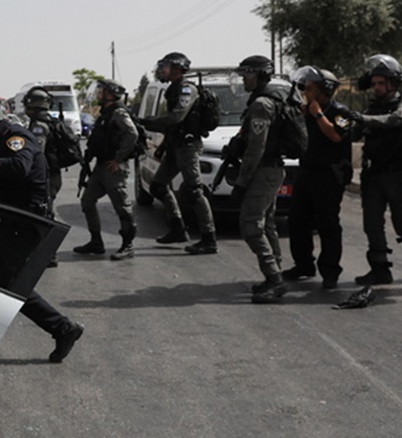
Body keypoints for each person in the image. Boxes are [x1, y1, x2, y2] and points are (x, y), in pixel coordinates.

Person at [0, 91, 84, 363]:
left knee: (2, 285)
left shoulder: (15, 137)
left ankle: (60, 328)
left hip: (27, 223)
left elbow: (19, 167)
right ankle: (61, 328)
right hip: (15, 222)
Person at [339, 54, 402, 307]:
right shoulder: (372, 108)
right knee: (372, 224)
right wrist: (338, 118)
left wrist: (363, 119)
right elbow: (350, 130)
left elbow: (396, 120)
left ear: (393, 83)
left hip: (398, 175)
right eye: (374, 83)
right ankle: (379, 269)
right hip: (374, 175)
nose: (376, 87)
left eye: (381, 83)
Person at [136, 52, 217, 254]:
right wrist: (164, 145)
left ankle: (209, 238)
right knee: (157, 186)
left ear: (177, 68)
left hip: (187, 147)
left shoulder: (187, 89)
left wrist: (147, 122)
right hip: (175, 145)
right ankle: (178, 229)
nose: (161, 70)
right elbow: (174, 126)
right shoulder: (173, 89)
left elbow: (176, 118)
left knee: (194, 191)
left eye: (165, 67)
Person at [281, 66, 352, 291]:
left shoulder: (341, 112)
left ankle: (330, 272)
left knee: (327, 224)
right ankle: (303, 265)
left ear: (324, 89)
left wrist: (318, 115)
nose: (305, 92)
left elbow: (336, 136)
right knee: (297, 221)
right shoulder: (308, 111)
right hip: (307, 172)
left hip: (329, 175)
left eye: (309, 88)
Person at [229, 55, 289, 304]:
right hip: (270, 169)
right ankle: (275, 273)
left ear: (261, 76)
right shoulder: (263, 100)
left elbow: (256, 148)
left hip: (264, 171)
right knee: (267, 223)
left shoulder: (262, 104)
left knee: (251, 225)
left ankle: (275, 279)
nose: (244, 79)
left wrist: (242, 182)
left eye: (248, 75)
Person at [73, 79, 139, 260]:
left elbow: (132, 134)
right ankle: (96, 242)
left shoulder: (118, 113)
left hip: (113, 168)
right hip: (101, 166)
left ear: (110, 94)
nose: (98, 93)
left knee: (122, 207)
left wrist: (118, 159)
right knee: (87, 201)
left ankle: (128, 246)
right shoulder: (105, 113)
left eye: (101, 91)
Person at [21, 88, 65, 212]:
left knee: (43, 211)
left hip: (47, 175)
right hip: (50, 173)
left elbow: (37, 152)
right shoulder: (48, 120)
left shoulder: (39, 125)